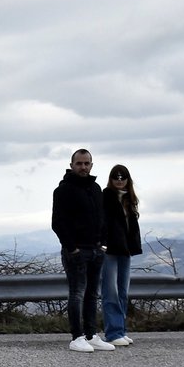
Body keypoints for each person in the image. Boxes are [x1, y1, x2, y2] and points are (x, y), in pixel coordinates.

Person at [51, 149, 114, 352]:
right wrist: (73, 249)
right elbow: (58, 223)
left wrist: (103, 244)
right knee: (77, 294)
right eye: (79, 163)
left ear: (91, 165)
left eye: (87, 163)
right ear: (71, 165)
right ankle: (77, 337)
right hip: (76, 251)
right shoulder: (63, 190)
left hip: (95, 250)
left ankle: (91, 335)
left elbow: (103, 218)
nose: (83, 167)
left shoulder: (95, 188)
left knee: (92, 294)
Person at [100, 164, 142, 346]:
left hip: (125, 250)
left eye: (122, 177)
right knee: (111, 292)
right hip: (110, 250)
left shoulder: (129, 200)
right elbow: (102, 223)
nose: (119, 180)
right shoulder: (106, 197)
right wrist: (102, 243)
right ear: (110, 179)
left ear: (127, 179)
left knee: (123, 291)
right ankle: (113, 333)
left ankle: (121, 330)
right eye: (115, 177)